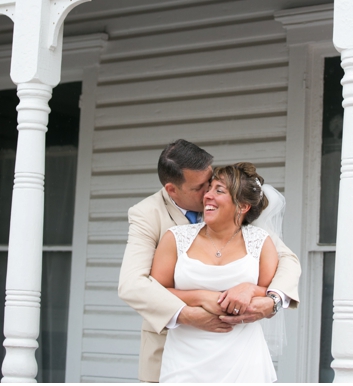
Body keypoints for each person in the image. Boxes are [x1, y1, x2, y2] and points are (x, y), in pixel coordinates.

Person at [117, 140, 300, 383]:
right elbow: (132, 284)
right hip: (175, 350)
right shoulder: (147, 215)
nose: (208, 194)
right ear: (173, 190)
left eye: (212, 181)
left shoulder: (234, 206)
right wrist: (190, 310)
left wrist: (271, 299)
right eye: (200, 187)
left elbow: (286, 258)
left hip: (238, 355)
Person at [151, 163, 278, 382]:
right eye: (208, 189)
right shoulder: (176, 238)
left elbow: (271, 296)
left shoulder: (261, 242)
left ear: (243, 206)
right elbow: (153, 292)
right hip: (185, 360)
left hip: (243, 360)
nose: (207, 196)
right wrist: (200, 297)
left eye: (218, 190)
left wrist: (249, 289)